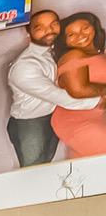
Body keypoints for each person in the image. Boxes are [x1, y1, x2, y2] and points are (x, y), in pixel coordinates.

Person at [7, 9, 101, 165]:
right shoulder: (25, 67)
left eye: (54, 24)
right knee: (34, 171)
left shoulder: (53, 51)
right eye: (40, 28)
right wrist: (100, 101)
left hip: (51, 117)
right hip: (31, 124)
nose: (49, 31)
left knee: (47, 164)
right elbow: (64, 98)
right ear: (28, 33)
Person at [51, 11, 106, 159]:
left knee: (85, 168)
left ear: (95, 27)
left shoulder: (99, 55)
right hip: (76, 119)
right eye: (71, 34)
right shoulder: (73, 55)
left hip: (97, 116)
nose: (81, 35)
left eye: (85, 28)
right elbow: (78, 90)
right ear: (64, 41)